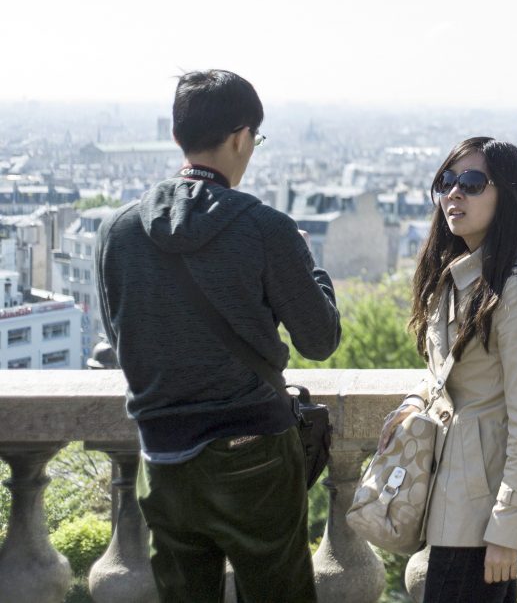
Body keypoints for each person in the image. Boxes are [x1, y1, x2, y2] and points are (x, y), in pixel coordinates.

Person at [95, 70, 342, 602]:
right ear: (240, 136)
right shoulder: (265, 228)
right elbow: (319, 340)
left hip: (162, 457)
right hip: (252, 449)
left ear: (178, 135)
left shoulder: (116, 231)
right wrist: (309, 263)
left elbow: (122, 336)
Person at [378, 137, 517, 603]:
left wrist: (508, 529)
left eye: (471, 182)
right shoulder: (460, 275)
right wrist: (414, 401)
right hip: (454, 497)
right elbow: (446, 374)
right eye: (446, 181)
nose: (453, 194)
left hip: (481, 511)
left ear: (507, 195)